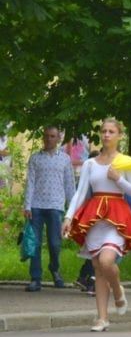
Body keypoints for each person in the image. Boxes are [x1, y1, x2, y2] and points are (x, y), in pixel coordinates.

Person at [62, 118, 131, 332]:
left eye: (111, 131)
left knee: (107, 261)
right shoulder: (90, 164)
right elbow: (80, 193)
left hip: (117, 215)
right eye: (104, 131)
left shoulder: (126, 162)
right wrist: (68, 217)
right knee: (98, 267)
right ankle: (102, 318)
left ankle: (117, 291)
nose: (106, 135)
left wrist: (118, 179)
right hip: (95, 216)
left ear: (119, 135)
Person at [23, 125, 76, 292]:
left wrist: (72, 210)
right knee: (35, 243)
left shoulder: (65, 159)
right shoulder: (35, 158)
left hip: (56, 206)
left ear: (58, 138)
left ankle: (55, 269)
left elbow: (70, 184)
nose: (48, 139)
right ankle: (35, 278)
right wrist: (27, 205)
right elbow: (30, 183)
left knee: (54, 243)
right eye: (46, 136)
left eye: (52, 136)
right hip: (36, 206)